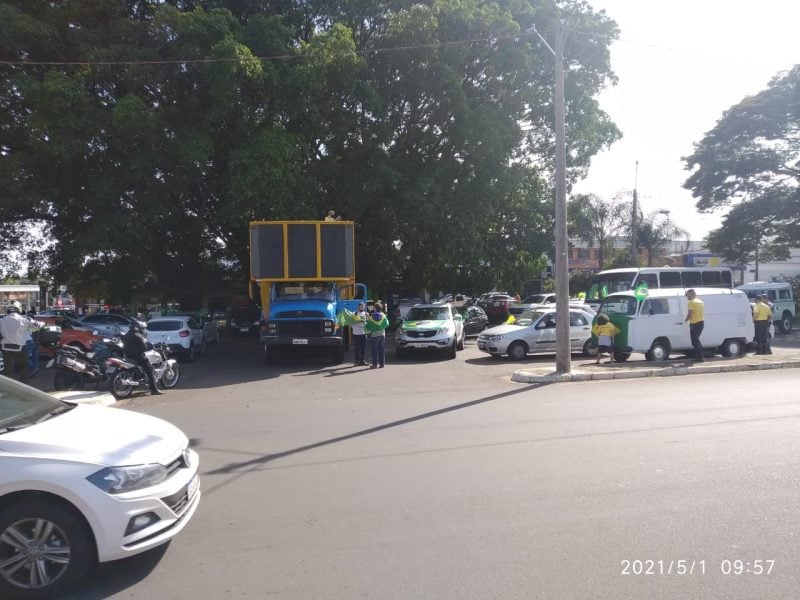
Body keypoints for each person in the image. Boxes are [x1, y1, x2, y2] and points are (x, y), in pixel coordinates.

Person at [0, 301, 43, 382]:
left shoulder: (1, 320)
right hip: (19, 348)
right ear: (19, 309)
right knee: (23, 368)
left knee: (8, 370)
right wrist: (41, 324)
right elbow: (36, 327)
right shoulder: (24, 320)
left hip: (5, 347)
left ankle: (8, 388)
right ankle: (23, 386)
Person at [121, 323, 164, 395]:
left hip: (127, 356)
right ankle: (154, 390)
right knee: (150, 370)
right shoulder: (138, 336)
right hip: (138, 357)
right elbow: (144, 348)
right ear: (137, 328)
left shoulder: (125, 335)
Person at [365, 302, 390, 368]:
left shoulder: (373, 316)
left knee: (374, 351)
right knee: (381, 350)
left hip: (375, 336)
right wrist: (381, 327)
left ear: (375, 308)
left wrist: (367, 318)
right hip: (382, 335)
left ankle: (374, 364)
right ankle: (382, 364)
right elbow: (387, 324)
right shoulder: (383, 315)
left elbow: (369, 325)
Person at [684, 289, 705, 362]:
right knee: (696, 341)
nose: (687, 297)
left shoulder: (691, 302)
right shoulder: (700, 302)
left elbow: (690, 314)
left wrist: (685, 320)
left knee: (695, 341)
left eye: (687, 295)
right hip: (701, 323)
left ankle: (699, 357)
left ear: (691, 294)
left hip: (694, 324)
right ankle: (700, 356)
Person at [352, 302, 368, 366]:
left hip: (364, 333)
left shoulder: (366, 314)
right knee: (357, 348)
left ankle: (362, 360)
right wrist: (356, 326)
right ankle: (357, 361)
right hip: (356, 333)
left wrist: (368, 316)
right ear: (358, 307)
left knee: (363, 348)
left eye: (363, 306)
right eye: (361, 306)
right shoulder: (354, 313)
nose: (362, 307)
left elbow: (367, 322)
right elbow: (351, 322)